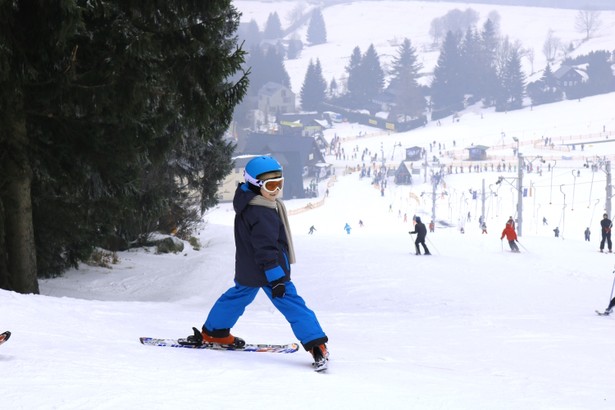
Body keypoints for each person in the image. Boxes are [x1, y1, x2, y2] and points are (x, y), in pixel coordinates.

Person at [189, 156, 328, 367]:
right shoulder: (262, 212)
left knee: (236, 298)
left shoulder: (248, 200)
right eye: (270, 185)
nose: (276, 190)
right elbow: (266, 249)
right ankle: (316, 343)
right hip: (269, 270)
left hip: (249, 268)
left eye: (279, 183)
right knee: (293, 305)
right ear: (254, 184)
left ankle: (215, 332)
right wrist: (277, 278)